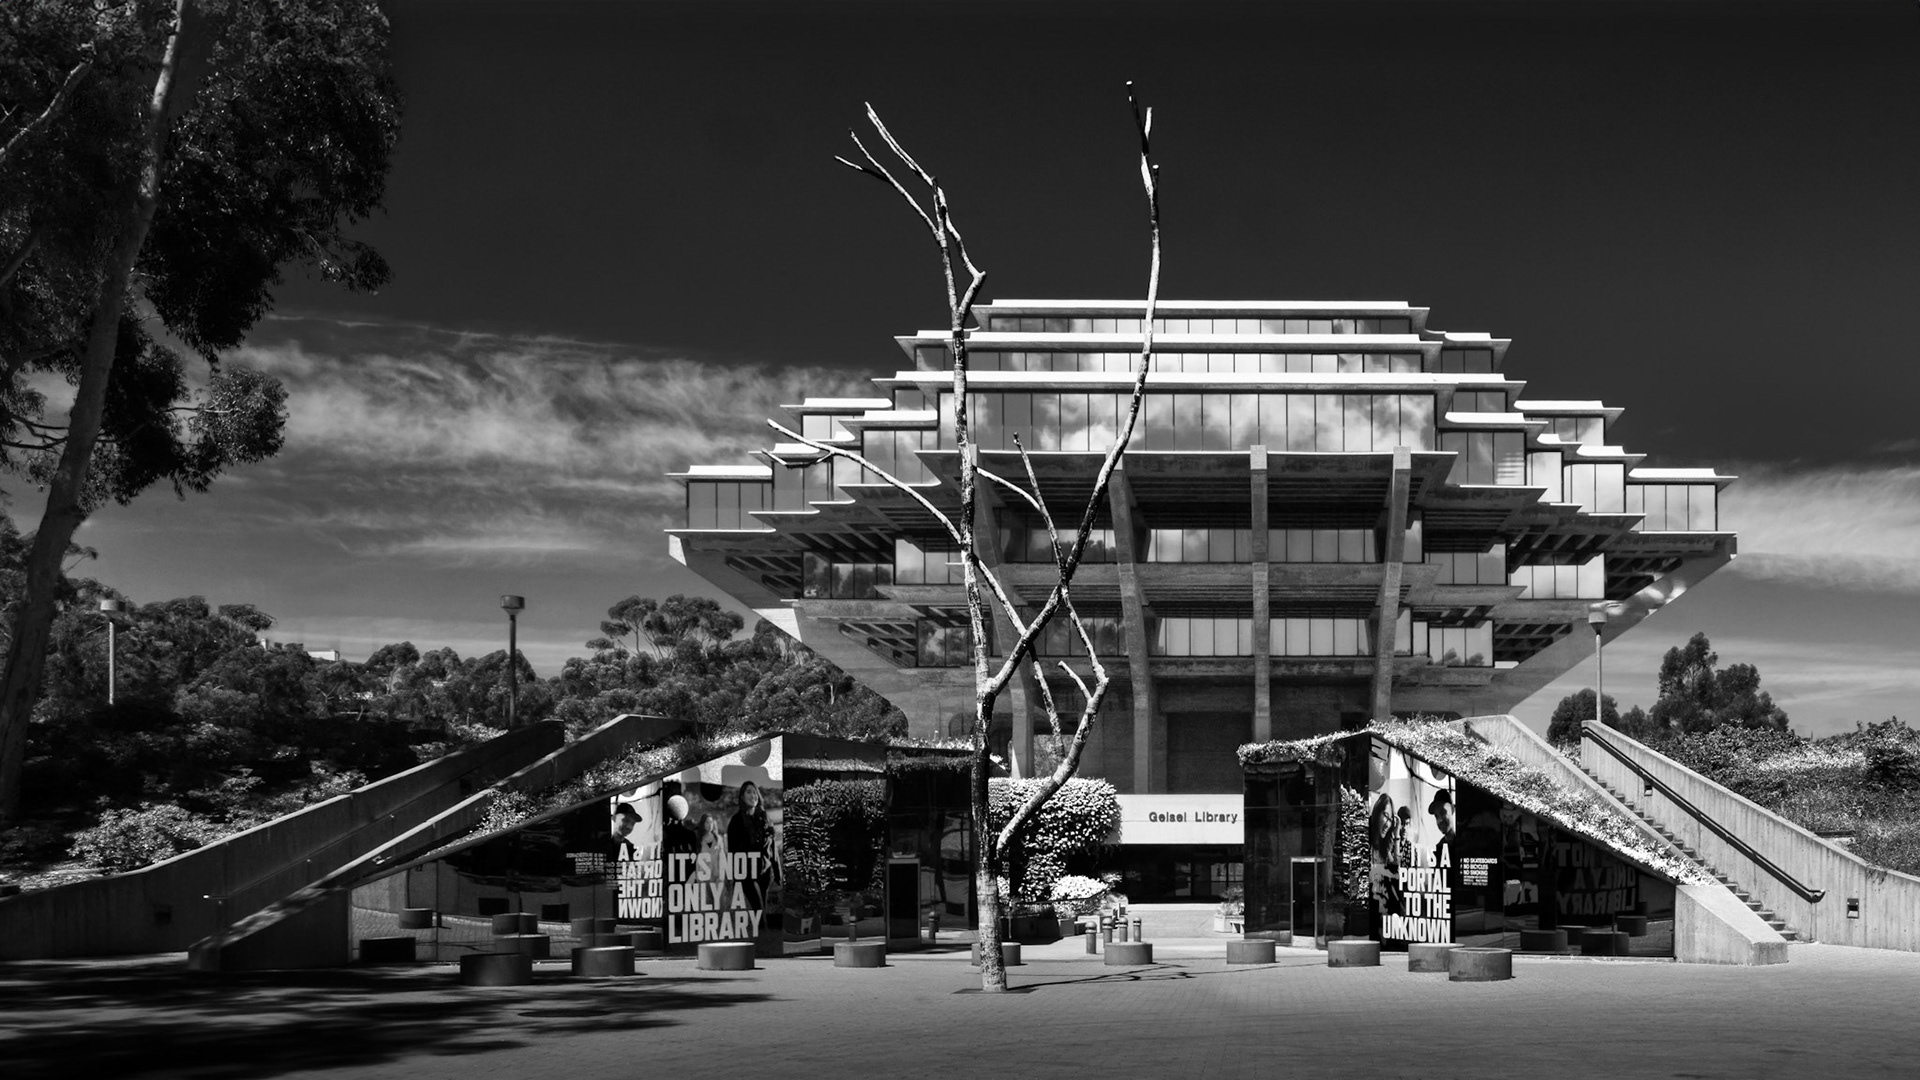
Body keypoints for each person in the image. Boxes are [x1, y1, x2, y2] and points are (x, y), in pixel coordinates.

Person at [726, 780, 781, 908]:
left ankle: (762, 926)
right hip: (746, 873)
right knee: (758, 909)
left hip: (765, 872)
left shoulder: (764, 818)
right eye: (749, 792)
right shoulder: (736, 821)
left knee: (762, 910)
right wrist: (734, 877)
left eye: (755, 792)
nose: (753, 795)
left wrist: (778, 873)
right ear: (742, 796)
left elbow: (773, 848)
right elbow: (732, 851)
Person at [696, 813, 731, 883]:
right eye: (707, 822)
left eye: (711, 822)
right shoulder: (699, 840)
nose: (709, 825)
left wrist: (722, 875)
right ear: (703, 824)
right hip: (704, 875)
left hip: (716, 875)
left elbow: (722, 858)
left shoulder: (718, 839)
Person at [1428, 789, 1455, 868]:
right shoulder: (1438, 851)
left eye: (1443, 812)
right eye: (1436, 816)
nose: (1439, 820)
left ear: (1452, 809)